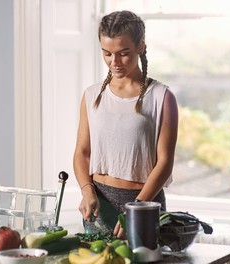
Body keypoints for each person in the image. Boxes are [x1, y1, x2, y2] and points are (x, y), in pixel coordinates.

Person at [73, 10, 178, 238]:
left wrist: (137, 207)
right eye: (107, 53)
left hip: (145, 204)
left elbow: (165, 162)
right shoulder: (91, 96)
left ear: (140, 47)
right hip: (98, 205)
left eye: (123, 53)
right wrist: (87, 190)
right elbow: (82, 153)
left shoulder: (162, 97)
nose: (114, 62)